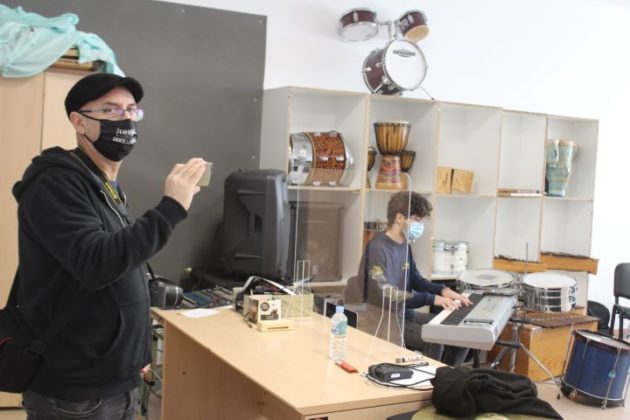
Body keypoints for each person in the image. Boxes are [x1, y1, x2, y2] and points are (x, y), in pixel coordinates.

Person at [12, 73, 207, 419]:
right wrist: (171, 208)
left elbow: (122, 264)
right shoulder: (55, 183)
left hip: (115, 381)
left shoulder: (104, 185)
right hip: (75, 392)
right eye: (110, 110)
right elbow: (97, 263)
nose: (126, 119)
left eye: (131, 110)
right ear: (79, 122)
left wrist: (134, 354)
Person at [357, 191, 472, 366]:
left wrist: (444, 291)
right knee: (435, 339)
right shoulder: (377, 248)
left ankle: (448, 376)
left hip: (406, 314)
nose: (420, 225)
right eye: (417, 219)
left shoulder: (405, 245)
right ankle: (433, 379)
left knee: (462, 333)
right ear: (399, 218)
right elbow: (387, 293)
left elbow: (416, 279)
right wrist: (432, 299)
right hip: (384, 319)